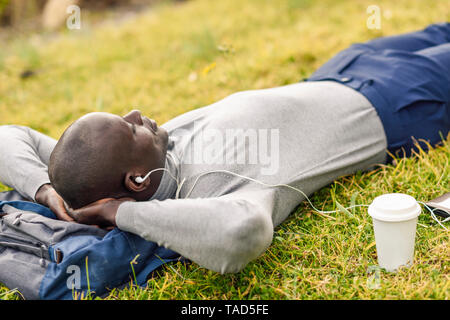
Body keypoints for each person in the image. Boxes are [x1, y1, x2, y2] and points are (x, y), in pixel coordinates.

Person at [0, 23, 448, 274]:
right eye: (130, 128)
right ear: (136, 181)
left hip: (341, 70)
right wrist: (116, 214)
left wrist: (48, 194)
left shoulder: (128, 162)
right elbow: (241, 235)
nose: (138, 114)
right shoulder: (210, 193)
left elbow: (6, 135)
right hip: (396, 101)